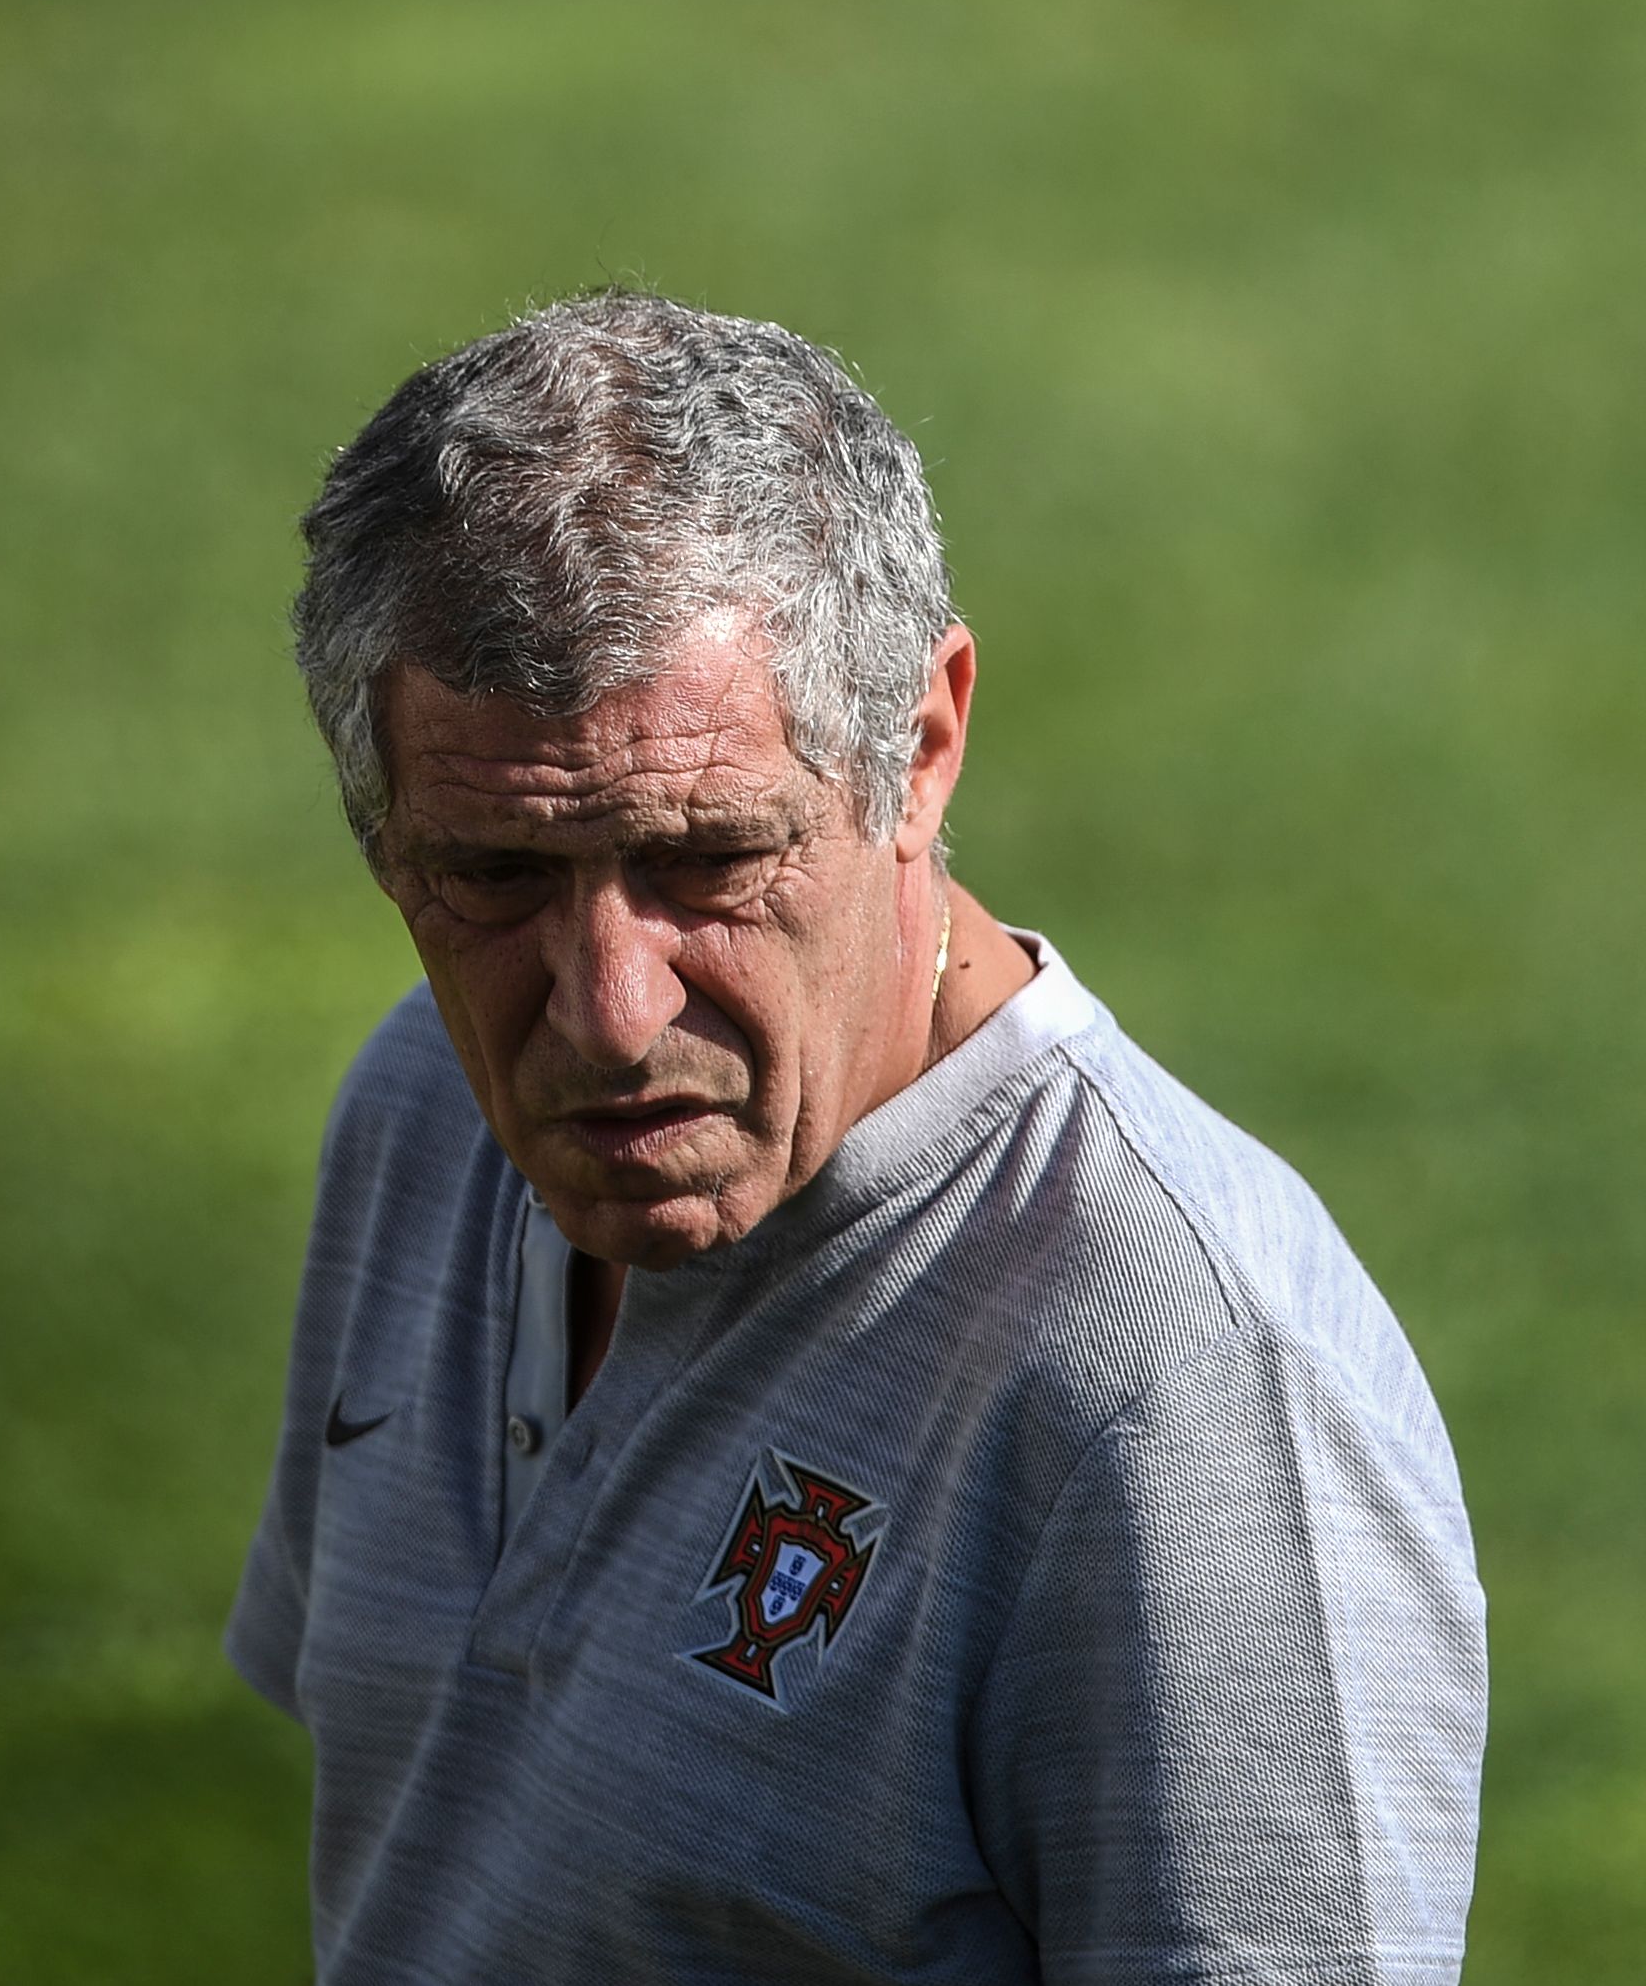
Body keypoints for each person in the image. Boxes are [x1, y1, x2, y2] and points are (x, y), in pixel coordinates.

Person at [226, 292, 1485, 1984]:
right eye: (501, 872)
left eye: (706, 858)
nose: (604, 1007)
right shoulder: (424, 1113)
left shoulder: (1186, 1391)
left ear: (925, 747)